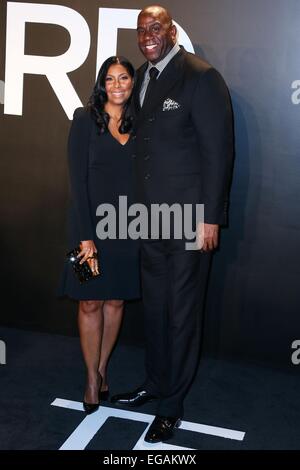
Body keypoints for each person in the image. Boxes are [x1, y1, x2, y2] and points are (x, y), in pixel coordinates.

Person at [111, 6, 233, 443]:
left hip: (187, 223)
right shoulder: (141, 78)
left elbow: (218, 154)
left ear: (173, 31)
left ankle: (171, 405)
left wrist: (210, 219)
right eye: (142, 30)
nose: (148, 35)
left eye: (156, 28)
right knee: (158, 311)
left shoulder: (200, 76)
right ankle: (155, 383)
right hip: (149, 220)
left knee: (182, 315)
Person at [58, 56, 140, 414]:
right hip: (87, 227)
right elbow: (77, 180)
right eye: (110, 79)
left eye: (124, 78)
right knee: (89, 301)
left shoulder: (142, 124)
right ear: (101, 84)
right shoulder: (84, 119)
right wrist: (86, 236)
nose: (117, 85)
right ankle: (91, 377)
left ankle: (104, 368)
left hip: (127, 228)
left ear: (133, 84)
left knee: (116, 302)